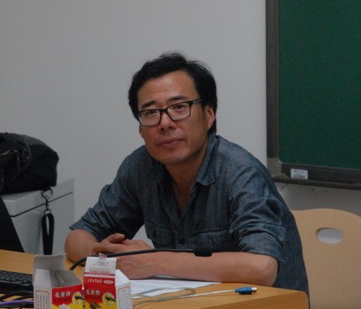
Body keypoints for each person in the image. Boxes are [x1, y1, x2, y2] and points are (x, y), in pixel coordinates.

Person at [64, 52, 308, 293]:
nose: (165, 123)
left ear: (209, 115)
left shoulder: (241, 173)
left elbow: (262, 267)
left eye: (179, 107)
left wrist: (152, 261)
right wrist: (100, 255)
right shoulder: (141, 167)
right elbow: (77, 237)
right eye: (150, 113)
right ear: (140, 129)